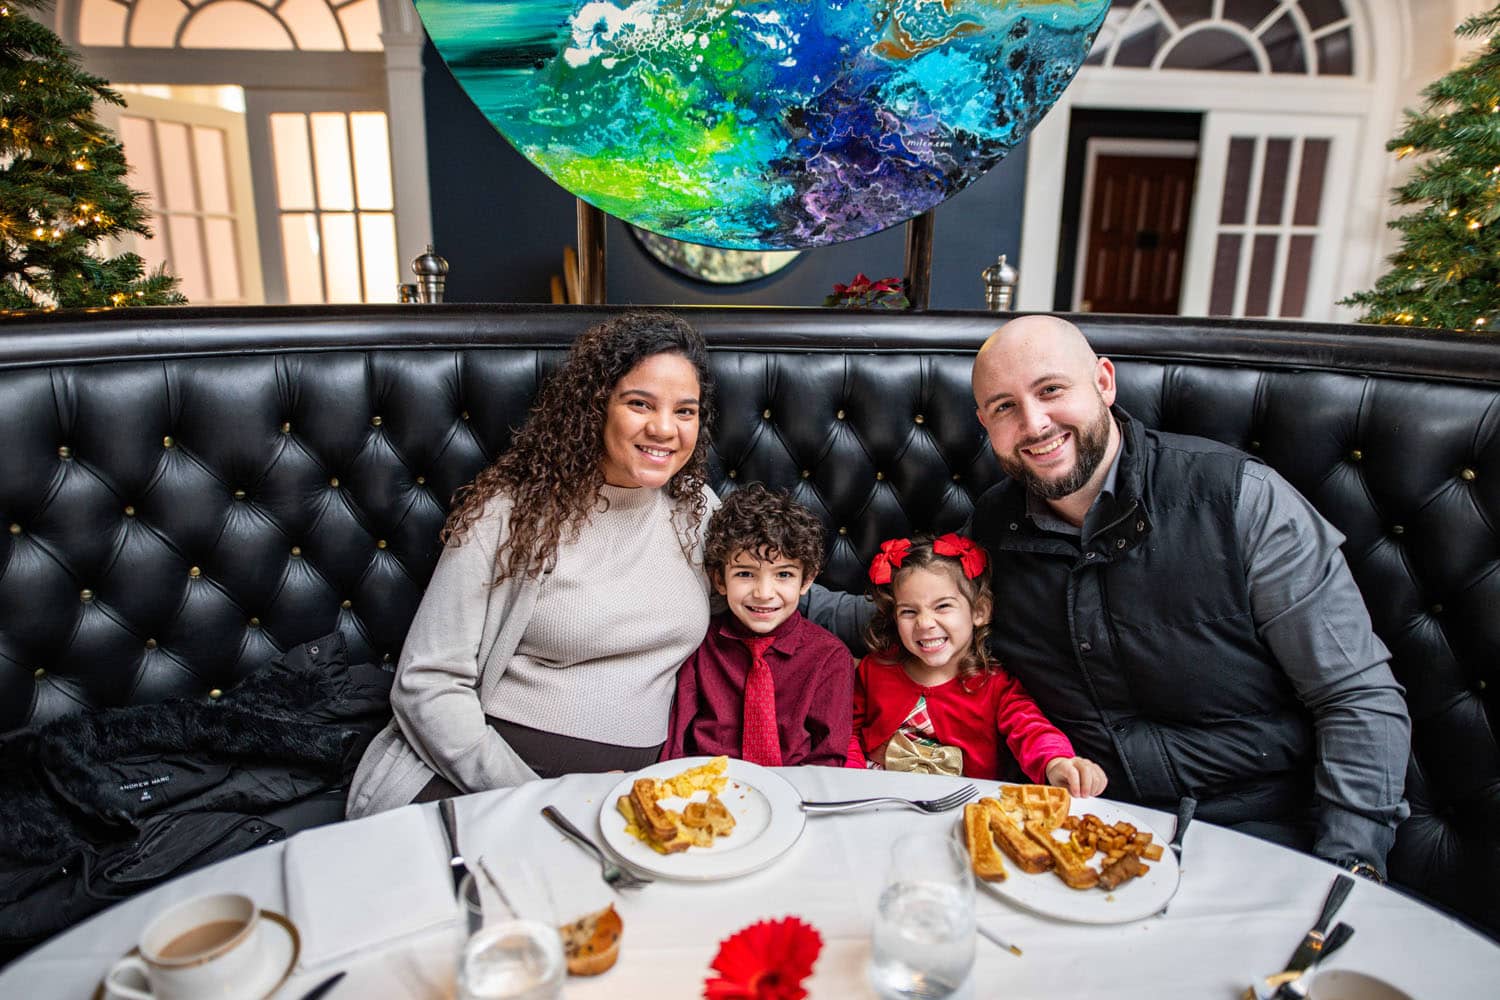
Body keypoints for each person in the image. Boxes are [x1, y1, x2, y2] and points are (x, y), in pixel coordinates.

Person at [967, 314, 1411, 879]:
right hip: (1080, 835)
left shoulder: (1242, 499)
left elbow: (1355, 697)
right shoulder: (992, 523)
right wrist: (811, 584)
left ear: (1103, 382)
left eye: (1051, 390)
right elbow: (919, 614)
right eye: (1004, 407)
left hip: (1257, 835)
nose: (1034, 423)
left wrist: (1348, 870)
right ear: (986, 424)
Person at [346, 311, 720, 818]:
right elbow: (426, 683)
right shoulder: (511, 513)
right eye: (639, 404)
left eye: (685, 411)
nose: (664, 428)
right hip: (479, 784)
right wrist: (537, 797)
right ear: (595, 407)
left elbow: (766, 591)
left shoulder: (697, 509)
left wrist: (866, 610)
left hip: (624, 803)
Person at [852, 532, 1108, 794]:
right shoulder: (875, 668)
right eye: (909, 611)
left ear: (979, 611)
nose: (925, 623)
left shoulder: (995, 685)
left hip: (963, 804)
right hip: (876, 794)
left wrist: (1057, 762)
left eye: (942, 606)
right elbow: (847, 732)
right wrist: (851, 780)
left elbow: (1030, 729)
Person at [663, 484, 854, 767]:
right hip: (709, 786)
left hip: (796, 790)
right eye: (745, 573)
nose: (764, 593)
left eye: (784, 574)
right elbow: (676, 745)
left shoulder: (830, 657)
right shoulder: (700, 644)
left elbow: (829, 756)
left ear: (806, 581)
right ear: (719, 580)